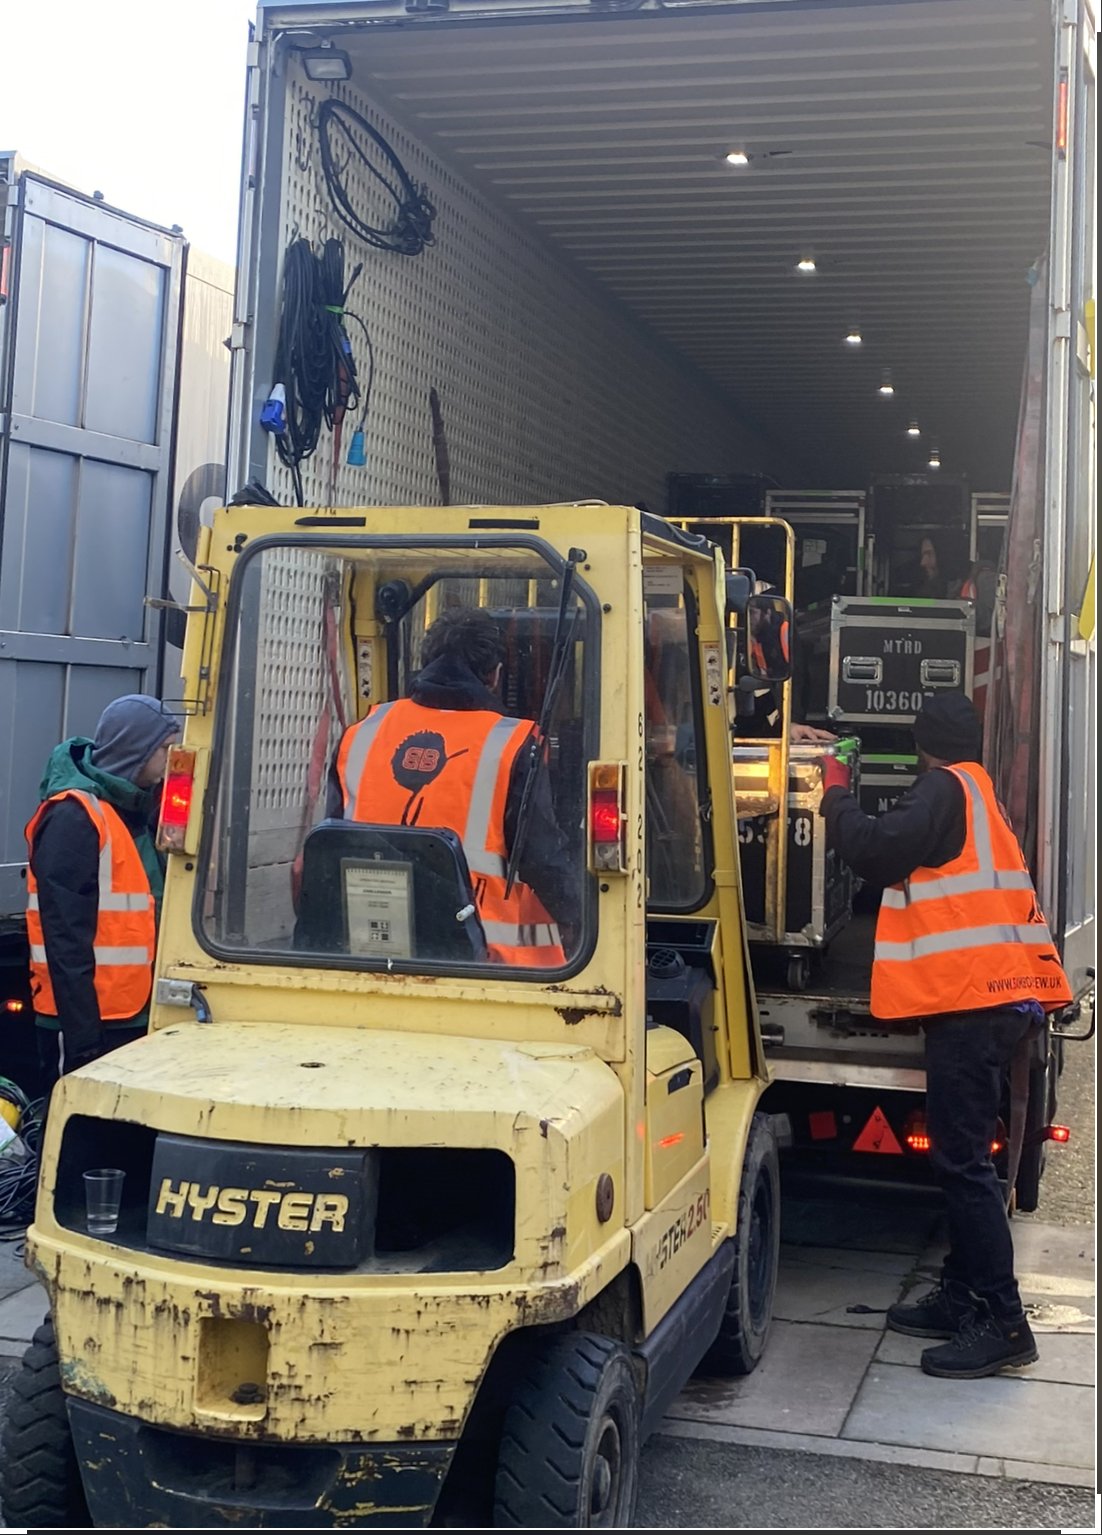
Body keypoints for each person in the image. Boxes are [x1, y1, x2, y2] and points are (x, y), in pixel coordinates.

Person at [819, 692, 1072, 1379]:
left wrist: (834, 792)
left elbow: (873, 850)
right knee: (965, 1162)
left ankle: (1003, 1319)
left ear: (921, 744)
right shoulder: (978, 790)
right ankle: (963, 1293)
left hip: (972, 1002)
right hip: (997, 1000)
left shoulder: (940, 790)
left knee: (962, 1165)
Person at [327, 607, 574, 966]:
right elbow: (543, 859)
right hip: (487, 960)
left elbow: (329, 842)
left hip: (368, 946)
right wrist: (581, 920)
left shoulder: (361, 734)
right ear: (494, 676)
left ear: (424, 663)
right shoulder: (514, 745)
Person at [25, 695, 180, 1088]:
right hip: (88, 1024)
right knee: (78, 1143)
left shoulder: (137, 811)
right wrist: (84, 1042)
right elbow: (65, 939)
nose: (171, 759)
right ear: (137, 748)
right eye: (164, 748)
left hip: (132, 1015)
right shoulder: (73, 818)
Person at [740, 581, 837, 745]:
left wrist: (791, 721)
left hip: (783, 697)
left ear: (767, 613)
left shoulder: (784, 632)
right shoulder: (751, 632)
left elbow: (793, 677)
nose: (749, 620)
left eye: (753, 613)